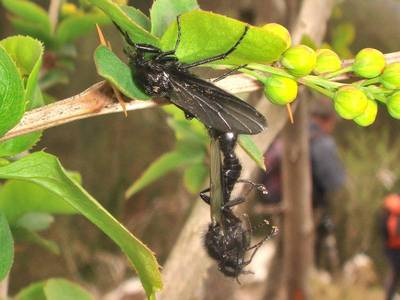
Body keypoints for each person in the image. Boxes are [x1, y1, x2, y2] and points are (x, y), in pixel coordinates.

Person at [261, 99, 346, 269]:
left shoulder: (288, 133)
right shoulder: (322, 142)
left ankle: (273, 293)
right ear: (327, 119)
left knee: (283, 251)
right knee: (303, 257)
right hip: (306, 208)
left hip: (277, 202)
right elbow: (334, 181)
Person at [381, 193, 400, 300]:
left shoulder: (390, 204)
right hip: (396, 246)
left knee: (393, 272)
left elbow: (382, 228)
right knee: (394, 272)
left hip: (390, 246)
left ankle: (389, 296)